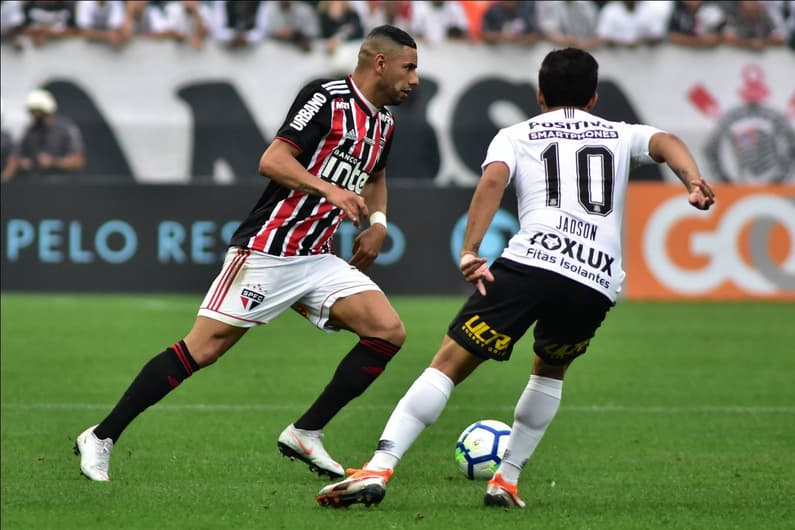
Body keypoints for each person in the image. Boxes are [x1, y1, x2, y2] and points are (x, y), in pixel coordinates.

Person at [316, 47, 715, 509]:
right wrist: (691, 179)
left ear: (540, 94)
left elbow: (492, 182)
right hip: (595, 280)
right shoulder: (620, 134)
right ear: (594, 98)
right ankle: (506, 480)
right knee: (550, 371)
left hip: (533, 263)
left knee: (448, 364)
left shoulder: (517, 133)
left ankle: (379, 467)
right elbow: (666, 141)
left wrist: (470, 250)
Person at [74, 24, 419, 482]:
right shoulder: (328, 97)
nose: (414, 79)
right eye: (409, 67)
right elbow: (272, 160)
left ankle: (306, 431)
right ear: (380, 63)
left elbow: (375, 177)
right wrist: (329, 190)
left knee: (388, 331)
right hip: (267, 249)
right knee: (203, 349)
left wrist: (378, 224)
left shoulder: (384, 122)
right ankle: (101, 435)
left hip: (315, 257)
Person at [17, 88, 85, 182]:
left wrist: (53, 162)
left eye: (37, 111)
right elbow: (18, 156)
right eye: (32, 111)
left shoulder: (66, 129)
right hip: (35, 186)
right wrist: (22, 163)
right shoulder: (30, 131)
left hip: (62, 187)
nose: (34, 115)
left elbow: (78, 162)